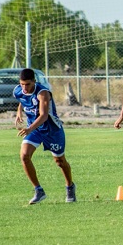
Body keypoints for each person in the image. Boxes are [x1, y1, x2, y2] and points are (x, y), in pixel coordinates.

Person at [14, 68, 76, 204]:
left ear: (34, 82)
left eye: (28, 84)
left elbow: (43, 116)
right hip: (35, 130)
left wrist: (29, 128)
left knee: (60, 162)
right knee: (24, 156)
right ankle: (38, 190)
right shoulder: (18, 90)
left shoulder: (43, 93)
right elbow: (22, 99)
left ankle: (70, 186)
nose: (24, 88)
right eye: (22, 84)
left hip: (51, 130)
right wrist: (19, 112)